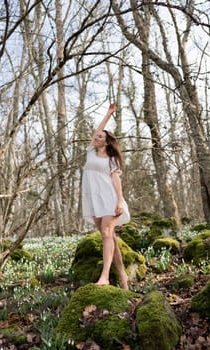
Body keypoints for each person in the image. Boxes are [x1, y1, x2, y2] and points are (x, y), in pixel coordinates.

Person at [82, 102, 130, 289]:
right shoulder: (90, 152)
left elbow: (116, 180)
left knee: (106, 233)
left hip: (110, 199)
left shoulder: (112, 160)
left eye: (100, 136)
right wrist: (108, 113)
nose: (96, 137)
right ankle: (123, 277)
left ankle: (105, 277)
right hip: (94, 200)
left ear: (107, 141)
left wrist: (119, 200)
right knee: (110, 238)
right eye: (96, 136)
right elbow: (98, 129)